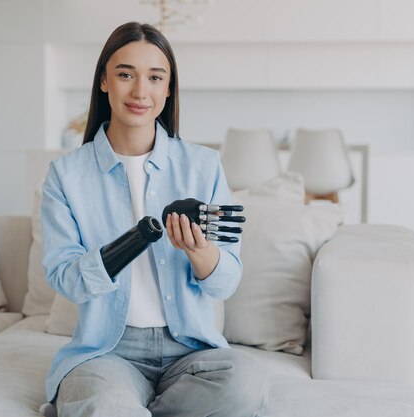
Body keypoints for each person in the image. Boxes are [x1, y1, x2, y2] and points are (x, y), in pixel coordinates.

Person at [40, 22, 268, 417]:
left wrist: (200, 252)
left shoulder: (203, 166)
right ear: (105, 82)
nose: (140, 91)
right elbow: (66, 279)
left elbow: (225, 281)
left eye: (155, 77)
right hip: (107, 352)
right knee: (104, 401)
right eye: (126, 74)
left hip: (190, 350)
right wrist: (127, 245)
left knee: (245, 384)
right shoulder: (67, 175)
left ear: (168, 88)